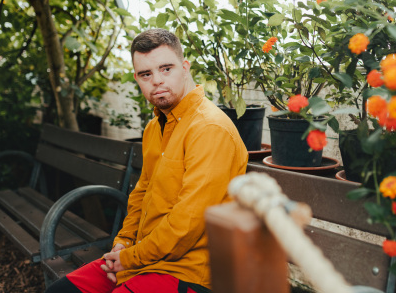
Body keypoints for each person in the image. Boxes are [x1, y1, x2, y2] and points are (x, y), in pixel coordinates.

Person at [46, 29, 248, 293]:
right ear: (137, 79)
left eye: (166, 69)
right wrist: (123, 242)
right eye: (146, 74)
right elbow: (142, 192)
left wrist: (130, 258)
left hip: (192, 272)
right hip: (144, 260)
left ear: (185, 68)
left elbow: (188, 224)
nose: (157, 81)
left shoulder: (209, 128)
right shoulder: (155, 127)